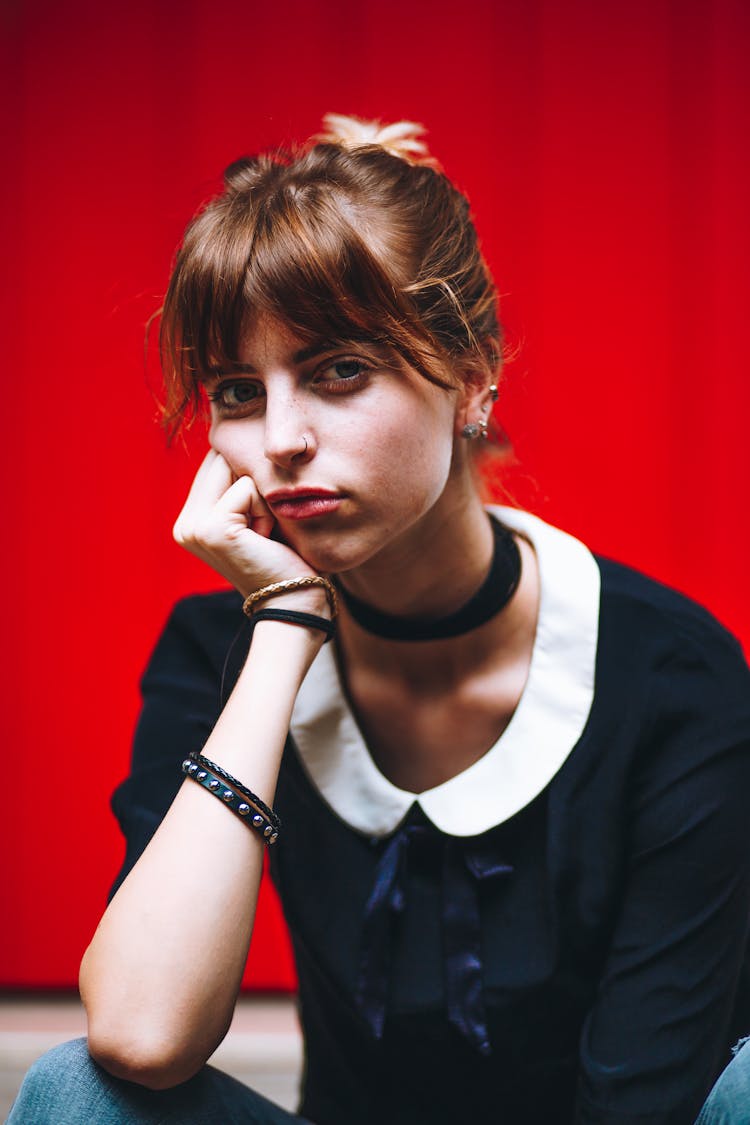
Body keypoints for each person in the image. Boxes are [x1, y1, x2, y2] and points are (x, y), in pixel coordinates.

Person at [9, 115, 750, 1125]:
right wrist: (281, 623)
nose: (280, 441)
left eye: (338, 371)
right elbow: (143, 1032)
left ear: (471, 375)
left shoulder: (667, 674)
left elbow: (646, 1099)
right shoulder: (214, 653)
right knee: (77, 1095)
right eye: (237, 391)